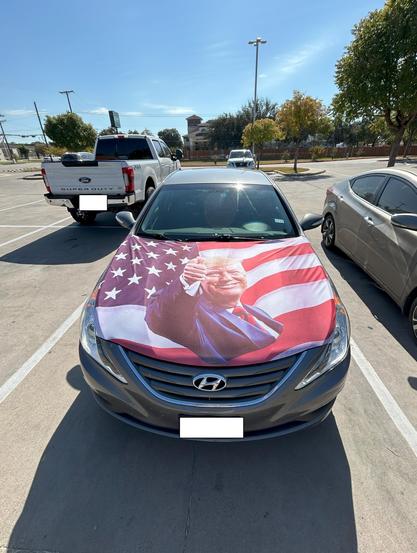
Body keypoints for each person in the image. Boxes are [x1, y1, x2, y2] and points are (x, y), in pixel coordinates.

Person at [145, 255, 284, 364]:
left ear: (245, 276)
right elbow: (162, 317)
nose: (227, 278)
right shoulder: (192, 314)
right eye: (214, 273)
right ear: (200, 280)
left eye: (233, 271)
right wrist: (186, 281)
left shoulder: (256, 312)